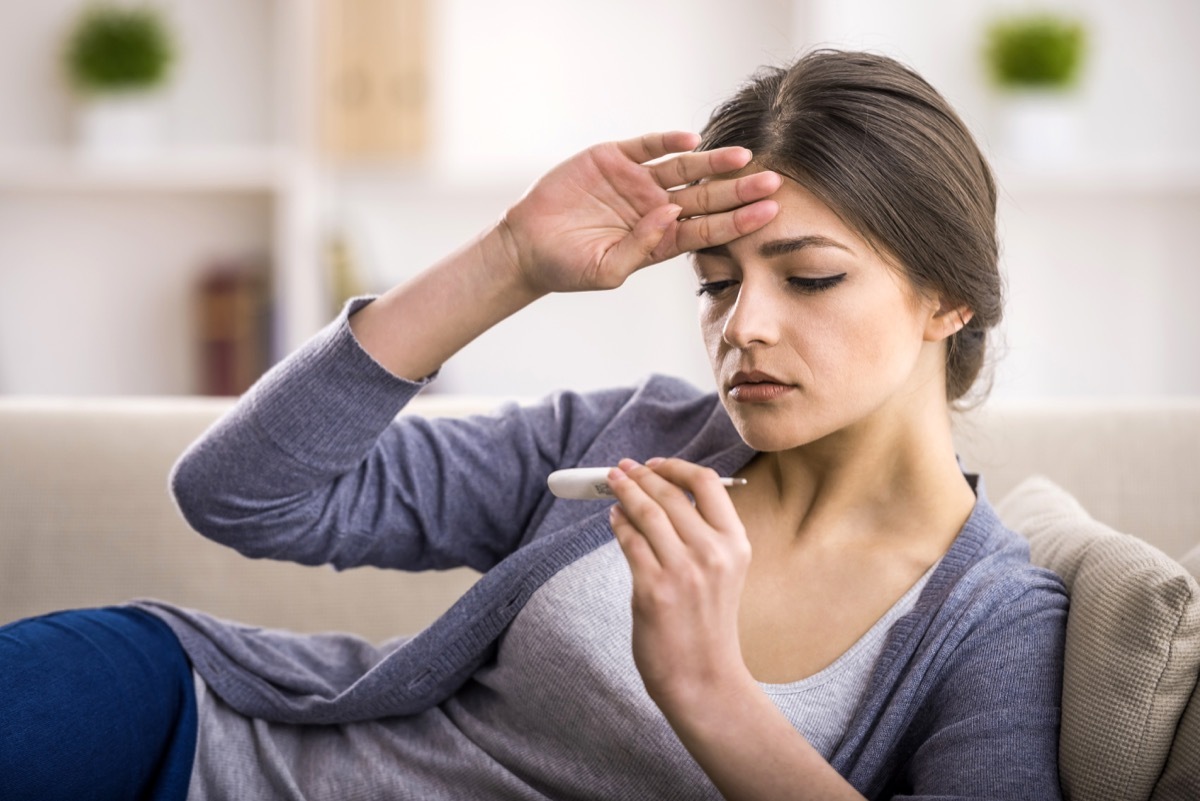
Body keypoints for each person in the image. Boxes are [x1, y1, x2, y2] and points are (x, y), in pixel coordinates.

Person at [0, 49, 1067, 800]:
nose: (746, 326)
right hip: (194, 737)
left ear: (947, 299)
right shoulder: (634, 439)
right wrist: (509, 262)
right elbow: (242, 490)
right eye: (712, 284)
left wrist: (707, 691)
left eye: (813, 278)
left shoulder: (993, 618)